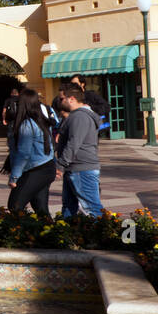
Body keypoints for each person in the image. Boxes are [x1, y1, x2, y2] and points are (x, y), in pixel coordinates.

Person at [55, 83, 103, 217]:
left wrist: (60, 164)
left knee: (93, 208)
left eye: (61, 99)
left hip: (81, 169)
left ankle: (107, 235)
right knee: (69, 207)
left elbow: (74, 143)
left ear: (71, 99)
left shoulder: (79, 116)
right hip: (75, 168)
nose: (59, 102)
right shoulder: (77, 115)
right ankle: (68, 235)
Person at [7, 89, 56, 217]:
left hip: (36, 169)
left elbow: (24, 153)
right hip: (47, 167)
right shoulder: (42, 120)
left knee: (14, 205)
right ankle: (49, 234)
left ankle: (21, 233)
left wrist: (14, 177)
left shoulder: (27, 124)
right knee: (41, 209)